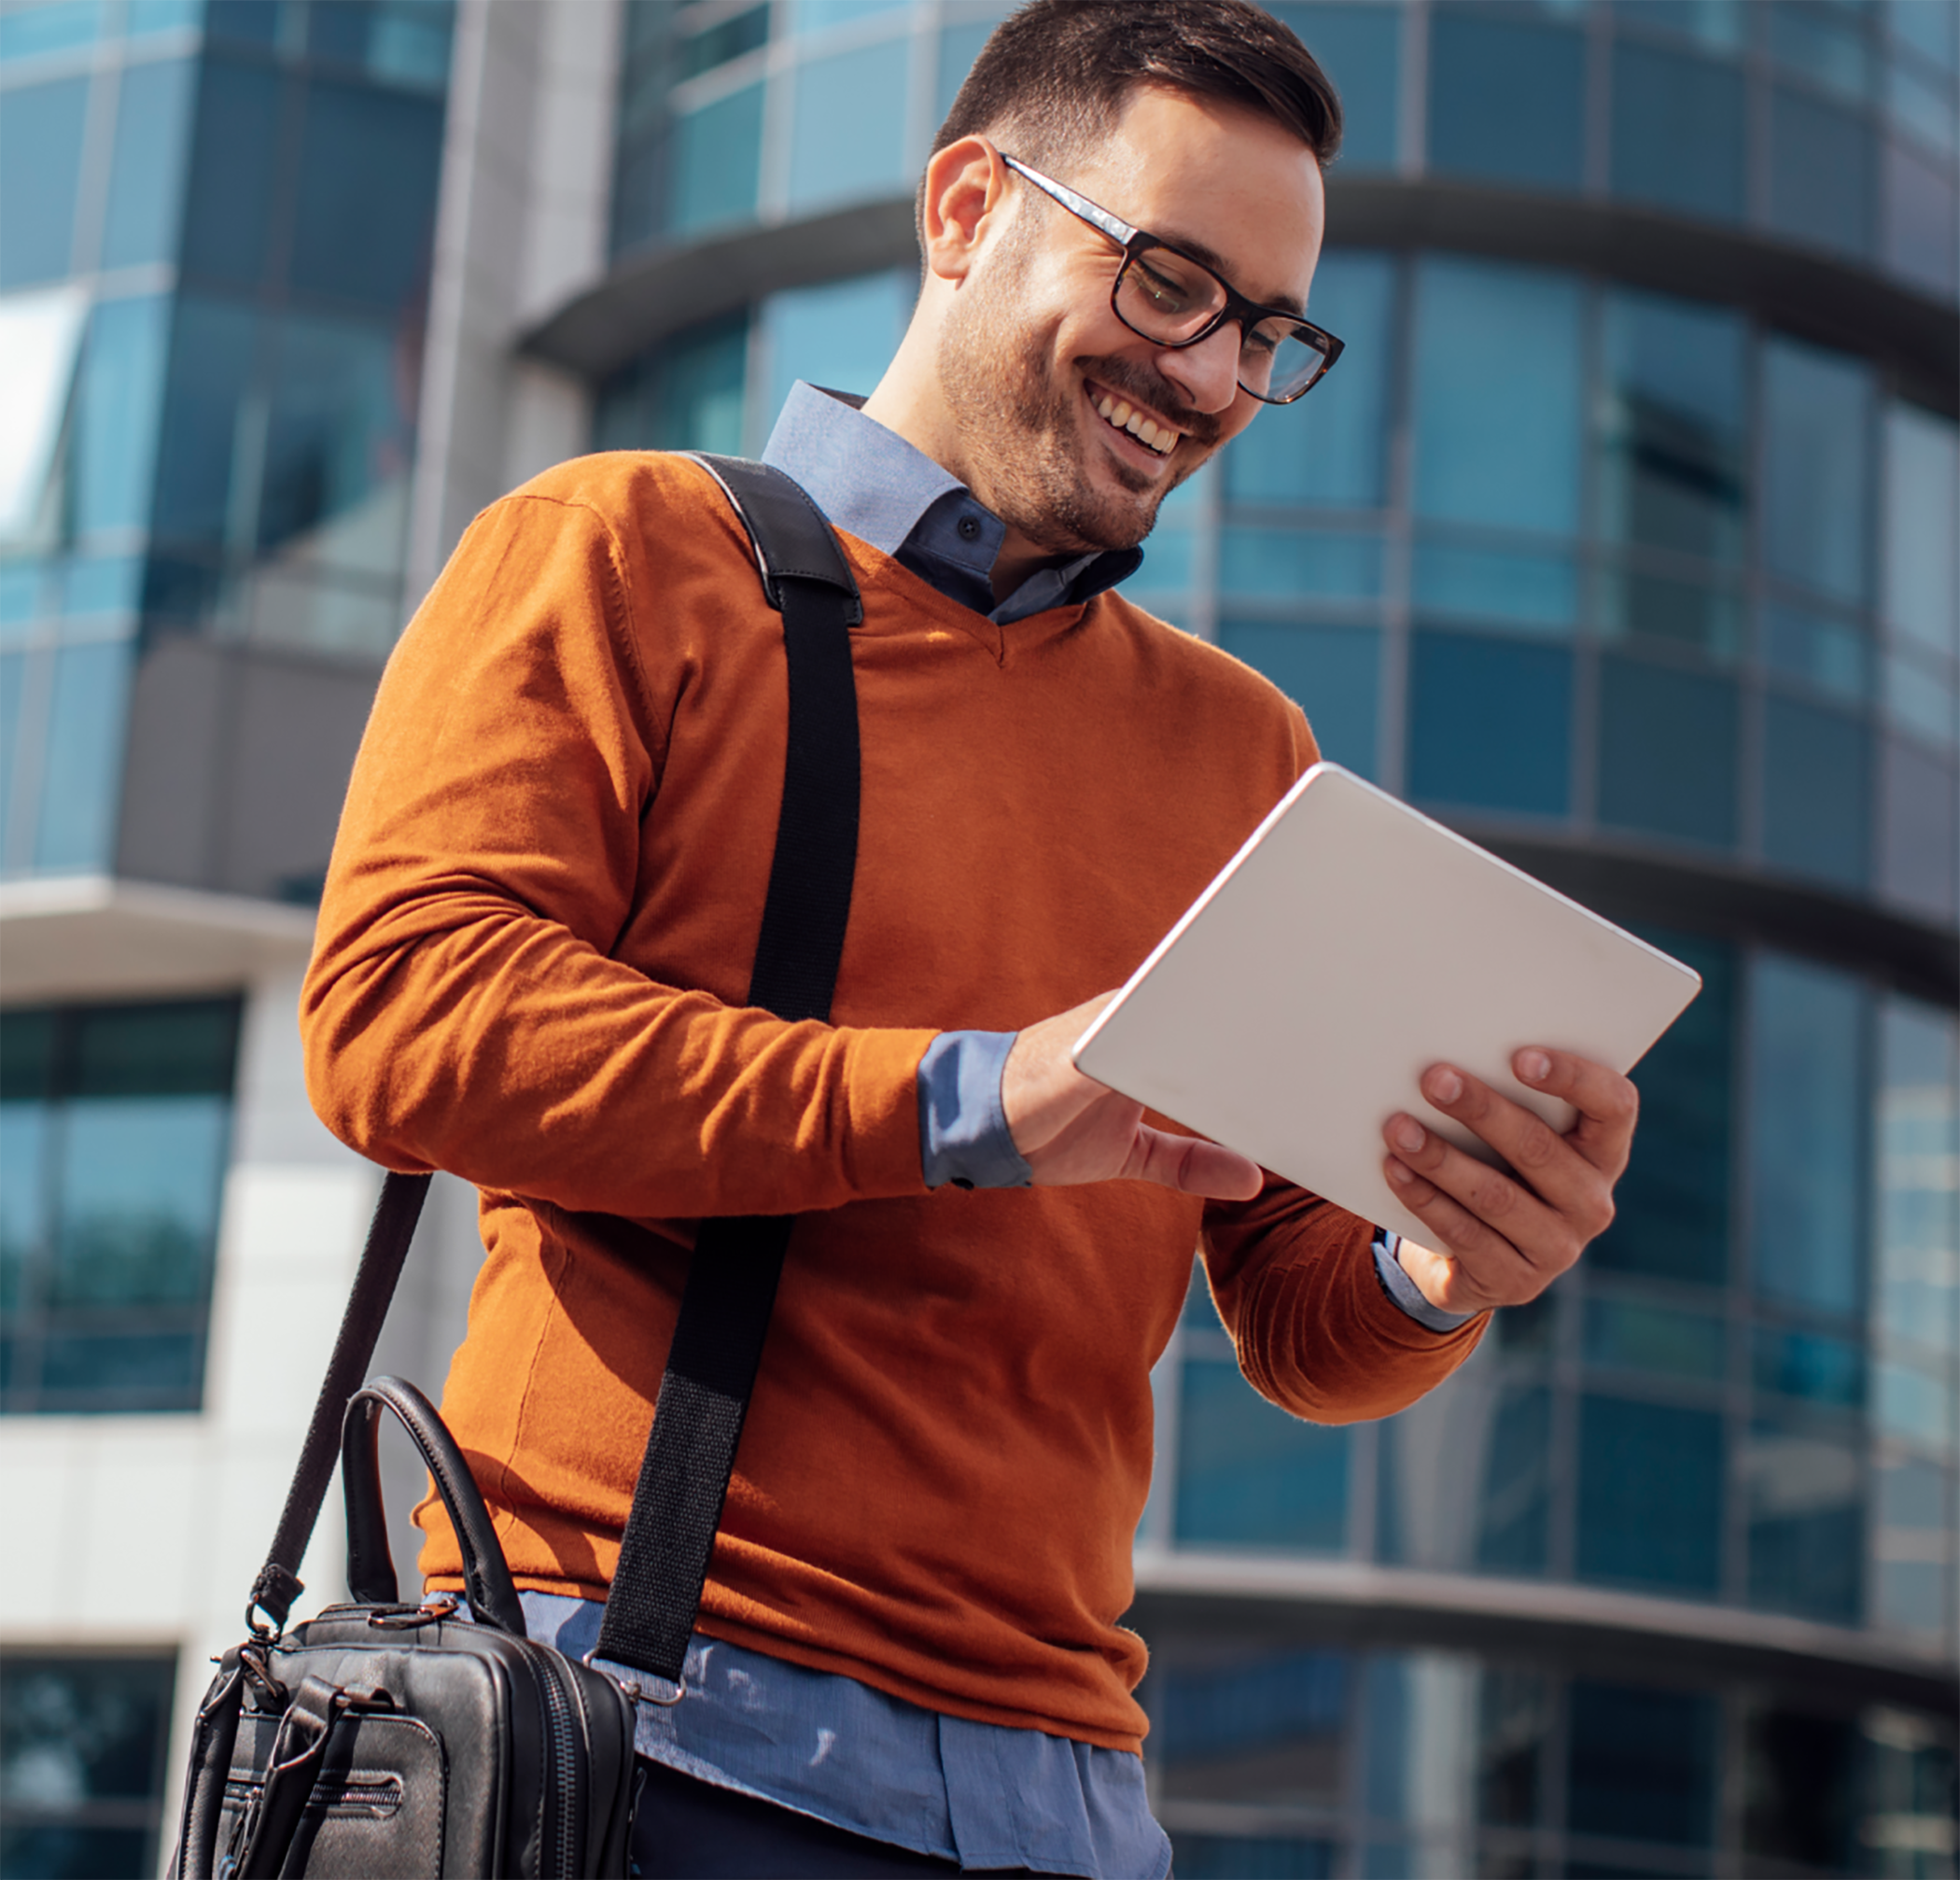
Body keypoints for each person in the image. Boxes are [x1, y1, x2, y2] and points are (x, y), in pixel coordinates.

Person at [300, 1, 1637, 1873]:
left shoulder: (1241, 750)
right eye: (1171, 280)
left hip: (1065, 1799)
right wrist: (976, 1097)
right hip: (651, 1727)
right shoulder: (623, 549)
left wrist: (1440, 1256)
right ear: (964, 208)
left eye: (1266, 330)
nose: (1210, 373)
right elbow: (399, 1021)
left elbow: (1294, 1309)